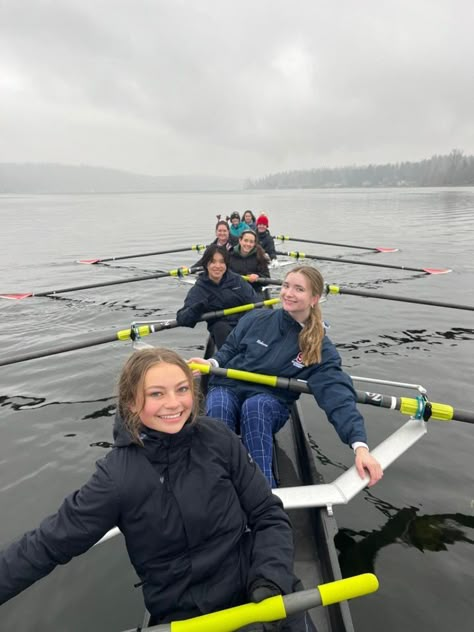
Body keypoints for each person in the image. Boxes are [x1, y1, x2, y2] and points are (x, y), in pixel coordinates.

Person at [0, 348, 315, 631]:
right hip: (191, 616)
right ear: (132, 402)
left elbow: (267, 513)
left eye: (181, 390)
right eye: (156, 394)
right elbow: (46, 545)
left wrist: (270, 578)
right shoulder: (116, 478)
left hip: (263, 590)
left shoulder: (217, 438)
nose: (174, 404)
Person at [189, 266, 383, 488]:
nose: (288, 293)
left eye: (299, 289)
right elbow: (229, 349)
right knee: (219, 408)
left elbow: (336, 393)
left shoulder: (318, 346)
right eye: (286, 286)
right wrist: (212, 363)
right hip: (229, 386)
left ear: (314, 298)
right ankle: (217, 484)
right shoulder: (256, 317)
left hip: (269, 399)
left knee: (255, 407)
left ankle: (263, 494)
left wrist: (360, 447)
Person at [176, 244, 259, 349]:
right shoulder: (200, 289)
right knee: (221, 328)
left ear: (226, 264)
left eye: (221, 262)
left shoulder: (237, 280)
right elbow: (182, 318)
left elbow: (256, 303)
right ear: (206, 264)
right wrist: (199, 307)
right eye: (213, 262)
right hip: (222, 329)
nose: (217, 266)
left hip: (242, 323)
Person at [229, 229, 270, 295]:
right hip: (235, 292)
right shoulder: (230, 256)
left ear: (254, 244)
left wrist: (258, 276)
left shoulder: (260, 256)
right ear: (240, 240)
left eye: (251, 242)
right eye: (245, 241)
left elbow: (267, 279)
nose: (248, 244)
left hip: (254, 291)